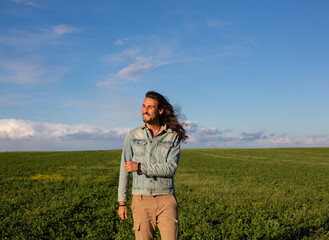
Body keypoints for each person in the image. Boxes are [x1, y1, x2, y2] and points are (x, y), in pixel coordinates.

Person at [117, 91, 188, 240]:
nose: (145, 110)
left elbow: (170, 169)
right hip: (141, 199)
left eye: (150, 107)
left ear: (160, 110)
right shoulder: (133, 135)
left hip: (166, 199)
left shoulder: (172, 136)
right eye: (144, 106)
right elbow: (124, 170)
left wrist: (140, 167)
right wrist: (121, 203)